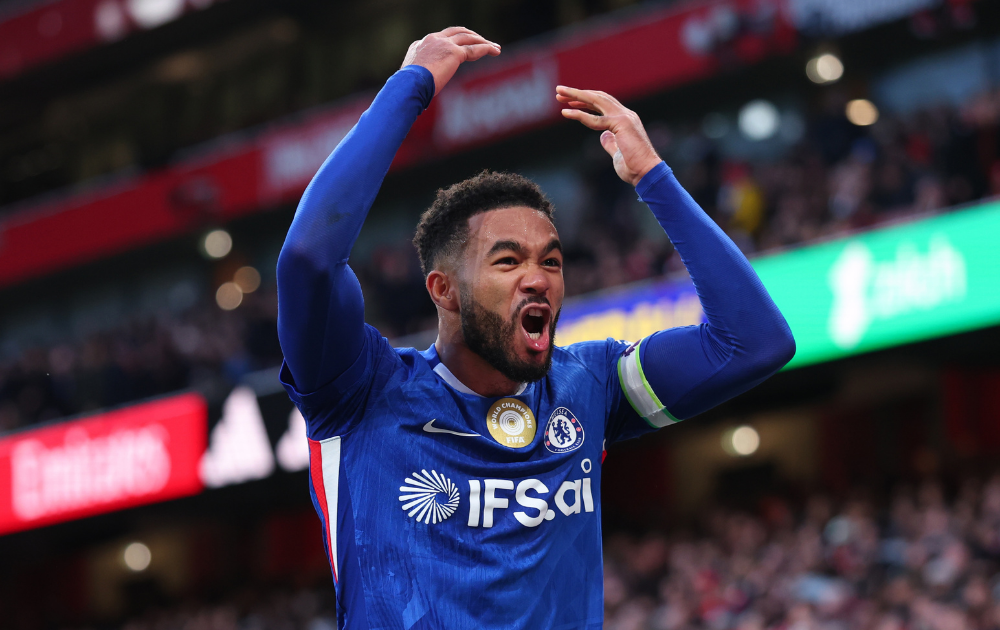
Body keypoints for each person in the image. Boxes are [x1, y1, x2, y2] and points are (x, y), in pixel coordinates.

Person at [276, 27, 795, 629]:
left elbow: (754, 342)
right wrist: (410, 87)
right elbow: (310, 260)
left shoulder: (590, 386)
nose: (539, 278)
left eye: (551, 260)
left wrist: (653, 177)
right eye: (507, 260)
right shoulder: (360, 393)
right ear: (443, 290)